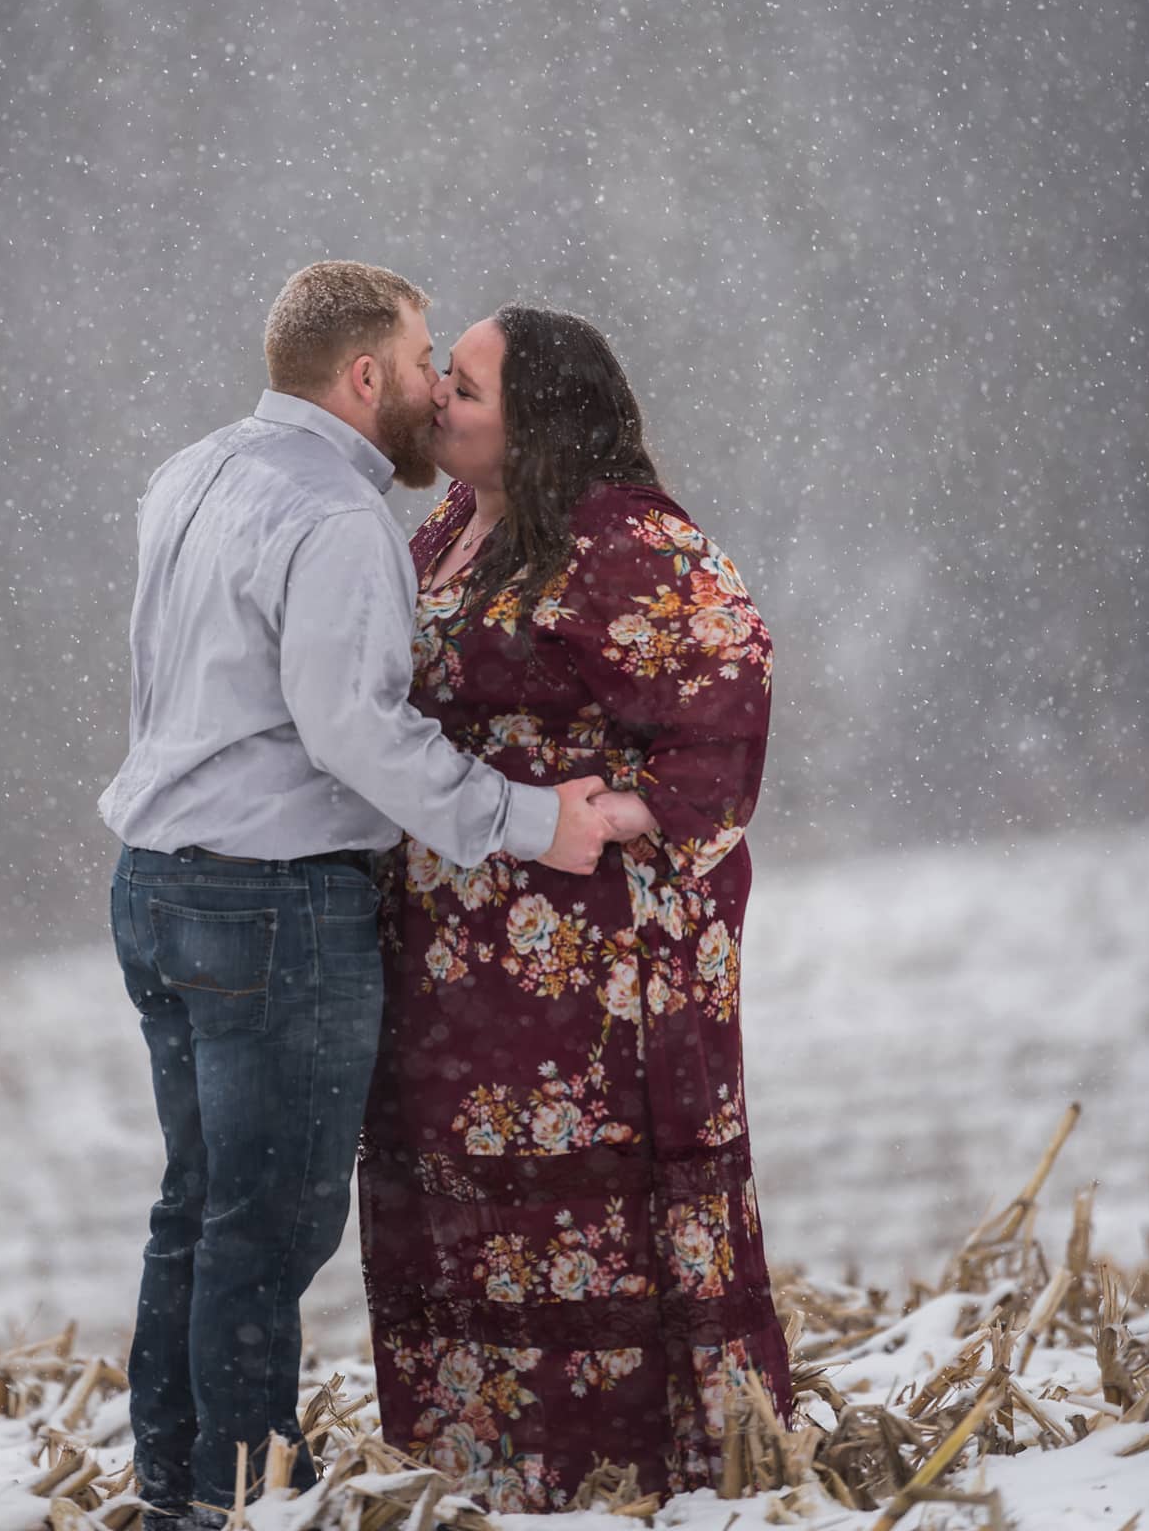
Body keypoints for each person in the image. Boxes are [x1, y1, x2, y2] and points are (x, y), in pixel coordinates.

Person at [98, 264, 642, 1523]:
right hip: (271, 900)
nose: (433, 389)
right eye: (417, 365)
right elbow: (356, 728)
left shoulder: (193, 472)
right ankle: (238, 1499)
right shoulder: (338, 521)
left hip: (156, 880)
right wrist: (526, 821)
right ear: (361, 378)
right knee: (269, 1226)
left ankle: (177, 1483)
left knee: (197, 1204)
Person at [359, 305, 792, 1507]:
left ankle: (631, 1463)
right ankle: (484, 1466)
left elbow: (726, 680)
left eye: (469, 387)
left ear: (538, 417)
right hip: (454, 949)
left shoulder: (619, 534)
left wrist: (626, 814)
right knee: (455, 1184)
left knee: (589, 1181)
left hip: (596, 953)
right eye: (443, 375)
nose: (438, 397)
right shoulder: (448, 524)